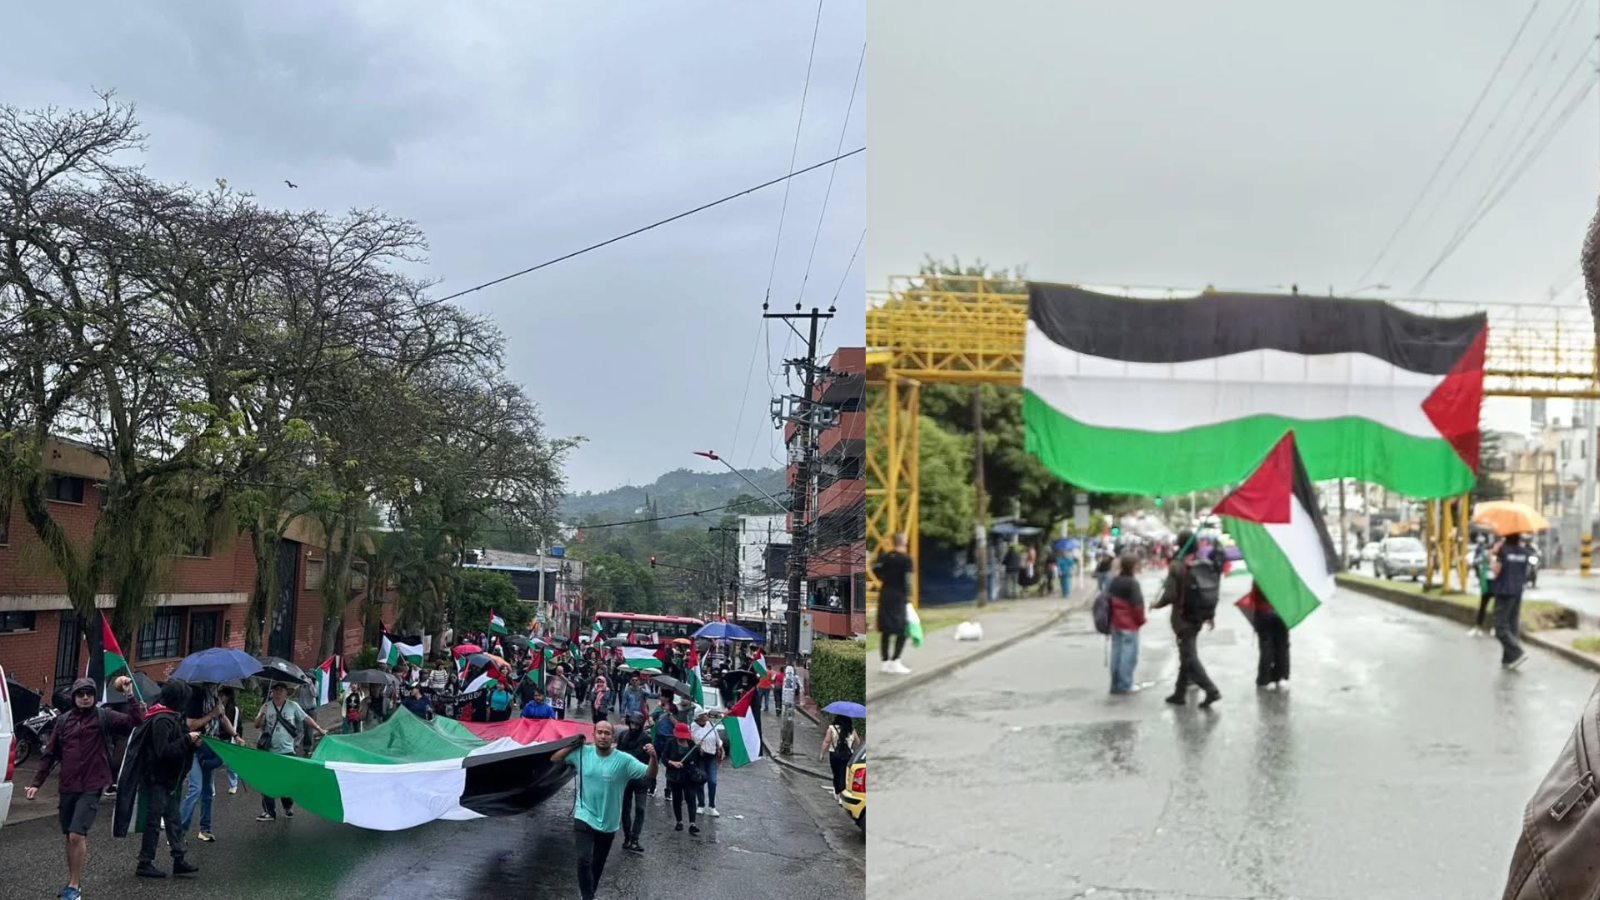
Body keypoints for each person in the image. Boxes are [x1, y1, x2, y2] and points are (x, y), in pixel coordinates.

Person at [25, 675, 143, 900]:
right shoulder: (63, 721)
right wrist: (36, 783)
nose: (86, 697)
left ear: (94, 696)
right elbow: (50, 754)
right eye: (81, 694)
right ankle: (73, 882)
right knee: (69, 835)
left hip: (92, 784)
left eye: (89, 693)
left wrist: (130, 695)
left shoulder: (104, 716)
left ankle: (74, 886)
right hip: (68, 784)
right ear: (74, 697)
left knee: (77, 834)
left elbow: (135, 722)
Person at [551, 721, 658, 900]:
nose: (603, 736)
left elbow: (650, 774)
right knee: (584, 859)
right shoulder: (582, 753)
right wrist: (572, 745)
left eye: (607, 733)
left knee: (597, 864)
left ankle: (589, 893)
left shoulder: (624, 760)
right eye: (599, 732)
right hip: (584, 814)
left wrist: (653, 757)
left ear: (613, 738)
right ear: (593, 735)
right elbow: (555, 758)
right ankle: (587, 897)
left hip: (608, 821)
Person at [114, 679, 201, 880]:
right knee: (154, 820)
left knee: (173, 819)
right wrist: (187, 740)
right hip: (158, 778)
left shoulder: (170, 716)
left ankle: (179, 859)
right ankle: (145, 862)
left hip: (168, 778)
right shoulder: (163, 720)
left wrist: (191, 743)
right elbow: (163, 751)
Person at [1153, 530, 1224, 707]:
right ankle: (1179, 693)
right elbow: (1211, 591)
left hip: (1183, 617)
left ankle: (1211, 690)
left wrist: (1157, 604)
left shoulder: (1177, 565)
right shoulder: (1203, 562)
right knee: (1186, 655)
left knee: (1189, 656)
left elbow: (1170, 595)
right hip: (1198, 616)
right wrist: (1210, 615)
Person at [253, 681, 326, 821]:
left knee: (287, 782)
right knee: (267, 782)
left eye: (281, 690)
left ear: (286, 692)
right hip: (270, 751)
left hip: (287, 750)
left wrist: (319, 728)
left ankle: (287, 807)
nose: (278, 692)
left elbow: (306, 718)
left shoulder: (293, 706)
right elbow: (256, 725)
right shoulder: (266, 706)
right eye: (276, 690)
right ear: (272, 692)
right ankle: (269, 811)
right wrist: (261, 714)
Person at [180, 681, 236, 842]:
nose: (219, 684)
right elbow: (190, 725)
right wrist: (212, 714)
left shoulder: (215, 697)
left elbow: (223, 718)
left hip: (209, 749)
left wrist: (235, 735)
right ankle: (179, 832)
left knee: (207, 792)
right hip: (194, 750)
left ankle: (205, 829)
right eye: (217, 682)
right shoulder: (196, 696)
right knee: (195, 788)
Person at [873, 532, 915, 675]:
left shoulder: (885, 557)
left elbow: (875, 570)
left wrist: (885, 578)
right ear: (904, 542)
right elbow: (908, 579)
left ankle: (885, 663)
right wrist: (909, 595)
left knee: (885, 630)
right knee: (902, 629)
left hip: (885, 595)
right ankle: (896, 661)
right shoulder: (906, 559)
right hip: (899, 596)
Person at [1106, 554, 1148, 693]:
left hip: (1115, 623)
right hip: (1129, 624)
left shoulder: (1114, 581)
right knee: (1128, 656)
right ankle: (1125, 684)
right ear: (1133, 566)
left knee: (1116, 653)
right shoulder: (1132, 583)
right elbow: (1138, 606)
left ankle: (1115, 683)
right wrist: (1141, 621)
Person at [1493, 533, 1533, 669]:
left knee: (1500, 627)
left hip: (1504, 591)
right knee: (1511, 625)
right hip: (1517, 591)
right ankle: (1508, 659)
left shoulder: (1503, 550)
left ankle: (1517, 653)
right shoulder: (1524, 552)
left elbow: (1496, 571)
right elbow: (1526, 572)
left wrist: (1494, 554)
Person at [615, 713, 654, 853]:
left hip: (641, 778)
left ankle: (635, 838)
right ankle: (627, 837)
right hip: (626, 777)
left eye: (637, 725)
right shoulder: (623, 735)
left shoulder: (645, 738)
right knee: (625, 808)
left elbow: (636, 755)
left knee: (640, 809)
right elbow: (619, 754)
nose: (634, 727)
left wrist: (624, 754)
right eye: (632, 724)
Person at [663, 721, 705, 834]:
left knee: (691, 798)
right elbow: (664, 758)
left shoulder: (691, 744)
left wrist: (700, 751)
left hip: (689, 776)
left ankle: (692, 823)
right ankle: (679, 821)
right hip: (675, 776)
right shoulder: (670, 742)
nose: (682, 739)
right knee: (677, 799)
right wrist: (672, 763)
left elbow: (697, 760)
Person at [1246, 584, 1290, 690]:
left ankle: (1264, 679)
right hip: (1282, 612)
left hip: (1263, 613)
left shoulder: (1260, 575)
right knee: (1282, 646)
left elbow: (1254, 596)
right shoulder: (1286, 576)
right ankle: (1280, 676)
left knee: (1266, 647)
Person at [690, 708, 722, 817]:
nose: (706, 715)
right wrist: (696, 746)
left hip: (711, 757)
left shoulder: (710, 725)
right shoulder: (692, 727)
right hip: (699, 758)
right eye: (704, 714)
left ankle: (712, 806)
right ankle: (701, 805)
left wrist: (720, 747)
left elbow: (717, 739)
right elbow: (690, 742)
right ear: (699, 717)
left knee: (712, 782)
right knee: (700, 780)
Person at [820, 714, 859, 800]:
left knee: (836, 773)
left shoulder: (831, 728)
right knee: (844, 774)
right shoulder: (851, 730)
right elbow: (858, 742)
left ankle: (837, 791)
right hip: (847, 755)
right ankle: (843, 793)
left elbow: (826, 741)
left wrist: (822, 754)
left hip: (834, 754)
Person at [1470, 536, 1496, 637]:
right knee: (1482, 606)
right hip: (1486, 583)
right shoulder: (1484, 556)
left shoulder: (1498, 558)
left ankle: (1493, 627)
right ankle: (1478, 627)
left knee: (1496, 607)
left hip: (1495, 583)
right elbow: (1476, 562)